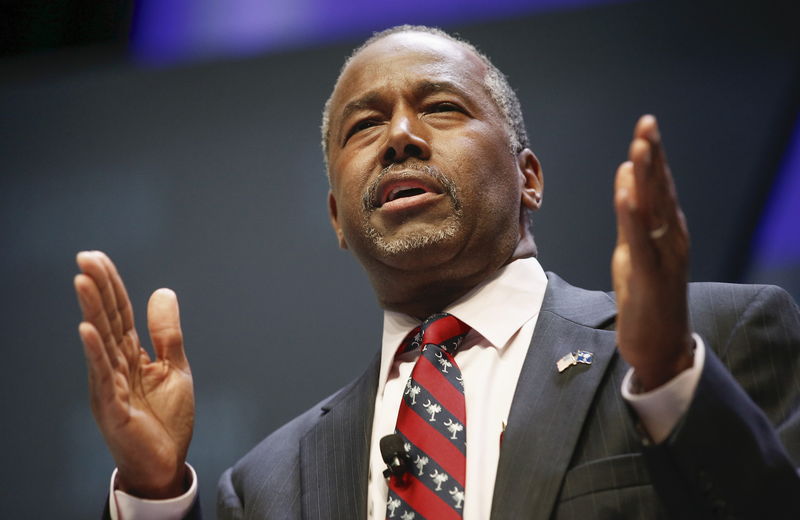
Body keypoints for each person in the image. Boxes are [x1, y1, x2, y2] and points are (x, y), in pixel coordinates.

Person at [74, 25, 800, 519]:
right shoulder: (267, 484)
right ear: (336, 217)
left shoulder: (718, 340)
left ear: (529, 178)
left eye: (441, 108)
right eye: (364, 126)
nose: (399, 137)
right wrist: (154, 491)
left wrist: (673, 376)